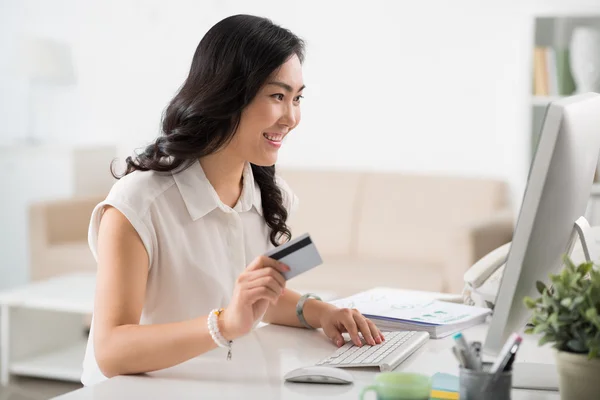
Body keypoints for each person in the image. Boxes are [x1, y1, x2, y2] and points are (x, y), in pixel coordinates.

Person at [81, 14, 383, 386]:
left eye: (297, 98)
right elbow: (111, 351)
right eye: (277, 96)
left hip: (221, 381)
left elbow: (255, 299)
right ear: (226, 95)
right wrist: (223, 324)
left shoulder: (269, 193)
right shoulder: (138, 203)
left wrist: (320, 312)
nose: (291, 117)